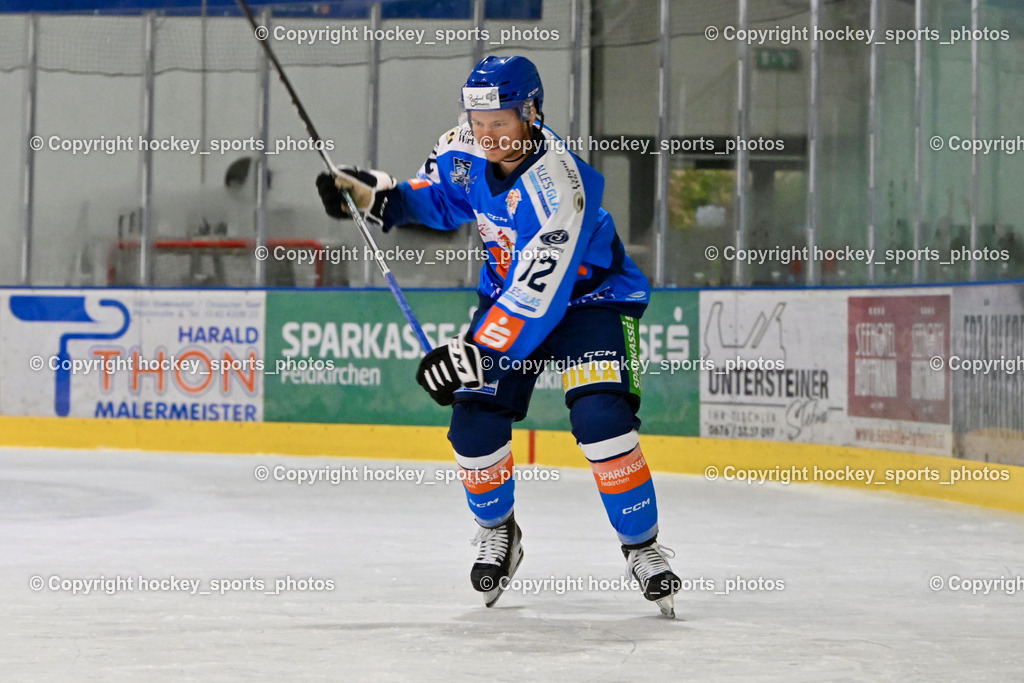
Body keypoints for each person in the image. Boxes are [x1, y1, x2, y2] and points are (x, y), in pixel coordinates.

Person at [316, 56, 681, 617]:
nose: (487, 136)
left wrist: (474, 354)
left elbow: (539, 294)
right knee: (472, 424)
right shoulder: (461, 146)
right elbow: (443, 199)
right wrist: (376, 197)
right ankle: (499, 532)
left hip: (589, 301)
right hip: (508, 299)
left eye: (500, 123)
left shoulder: (561, 184)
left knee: (601, 419)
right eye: (478, 122)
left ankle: (643, 548)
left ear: (531, 114)